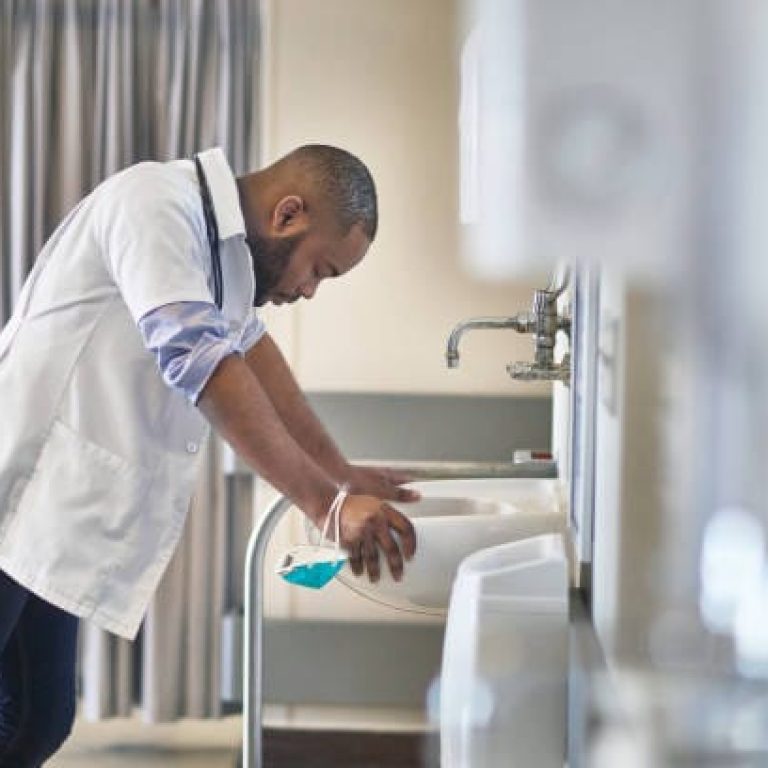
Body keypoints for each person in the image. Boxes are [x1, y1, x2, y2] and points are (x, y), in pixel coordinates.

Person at [0, 144, 419, 765]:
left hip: (47, 516)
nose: (308, 290)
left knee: (37, 720)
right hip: (16, 482)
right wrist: (324, 506)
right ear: (289, 214)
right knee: (26, 719)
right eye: (319, 270)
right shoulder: (155, 204)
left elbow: (253, 357)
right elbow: (200, 359)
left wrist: (341, 475)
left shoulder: (226, 262)